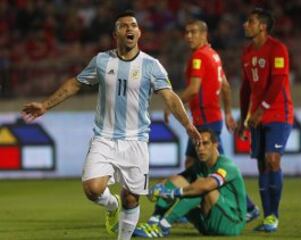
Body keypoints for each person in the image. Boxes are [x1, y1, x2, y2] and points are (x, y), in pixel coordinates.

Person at [21, 10, 201, 240]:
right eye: (124, 26)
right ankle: (111, 205)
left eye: (133, 25)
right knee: (93, 189)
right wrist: (46, 105)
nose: (129, 29)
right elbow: (75, 84)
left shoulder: (151, 65)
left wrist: (187, 124)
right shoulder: (102, 61)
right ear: (115, 34)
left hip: (136, 140)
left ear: (139, 32)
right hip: (104, 137)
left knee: (132, 198)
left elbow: (170, 97)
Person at [165, 19, 259, 222]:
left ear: (204, 34)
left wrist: (172, 104)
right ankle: (187, 208)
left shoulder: (199, 56)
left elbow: (193, 90)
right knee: (191, 163)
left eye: (193, 32)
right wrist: (227, 112)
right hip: (211, 118)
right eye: (187, 32)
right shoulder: (214, 55)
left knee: (219, 169)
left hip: (204, 121)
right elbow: (225, 85)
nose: (188, 36)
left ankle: (249, 207)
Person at [236, 8, 294, 232]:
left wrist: (262, 109)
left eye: (249, 21)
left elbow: (278, 82)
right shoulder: (247, 53)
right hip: (256, 116)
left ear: (262, 26)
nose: (245, 24)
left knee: (272, 159)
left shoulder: (278, 49)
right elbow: (245, 89)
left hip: (279, 113)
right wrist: (244, 119)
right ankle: (267, 216)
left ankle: (274, 216)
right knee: (261, 164)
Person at [133, 129, 247, 237]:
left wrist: (172, 193)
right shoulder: (199, 166)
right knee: (176, 180)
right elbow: (176, 180)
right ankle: (153, 222)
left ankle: (164, 226)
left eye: (205, 143)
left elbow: (206, 186)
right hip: (207, 223)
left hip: (231, 224)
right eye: (197, 144)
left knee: (200, 185)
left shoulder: (227, 165)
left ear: (215, 144)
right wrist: (159, 187)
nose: (201, 148)